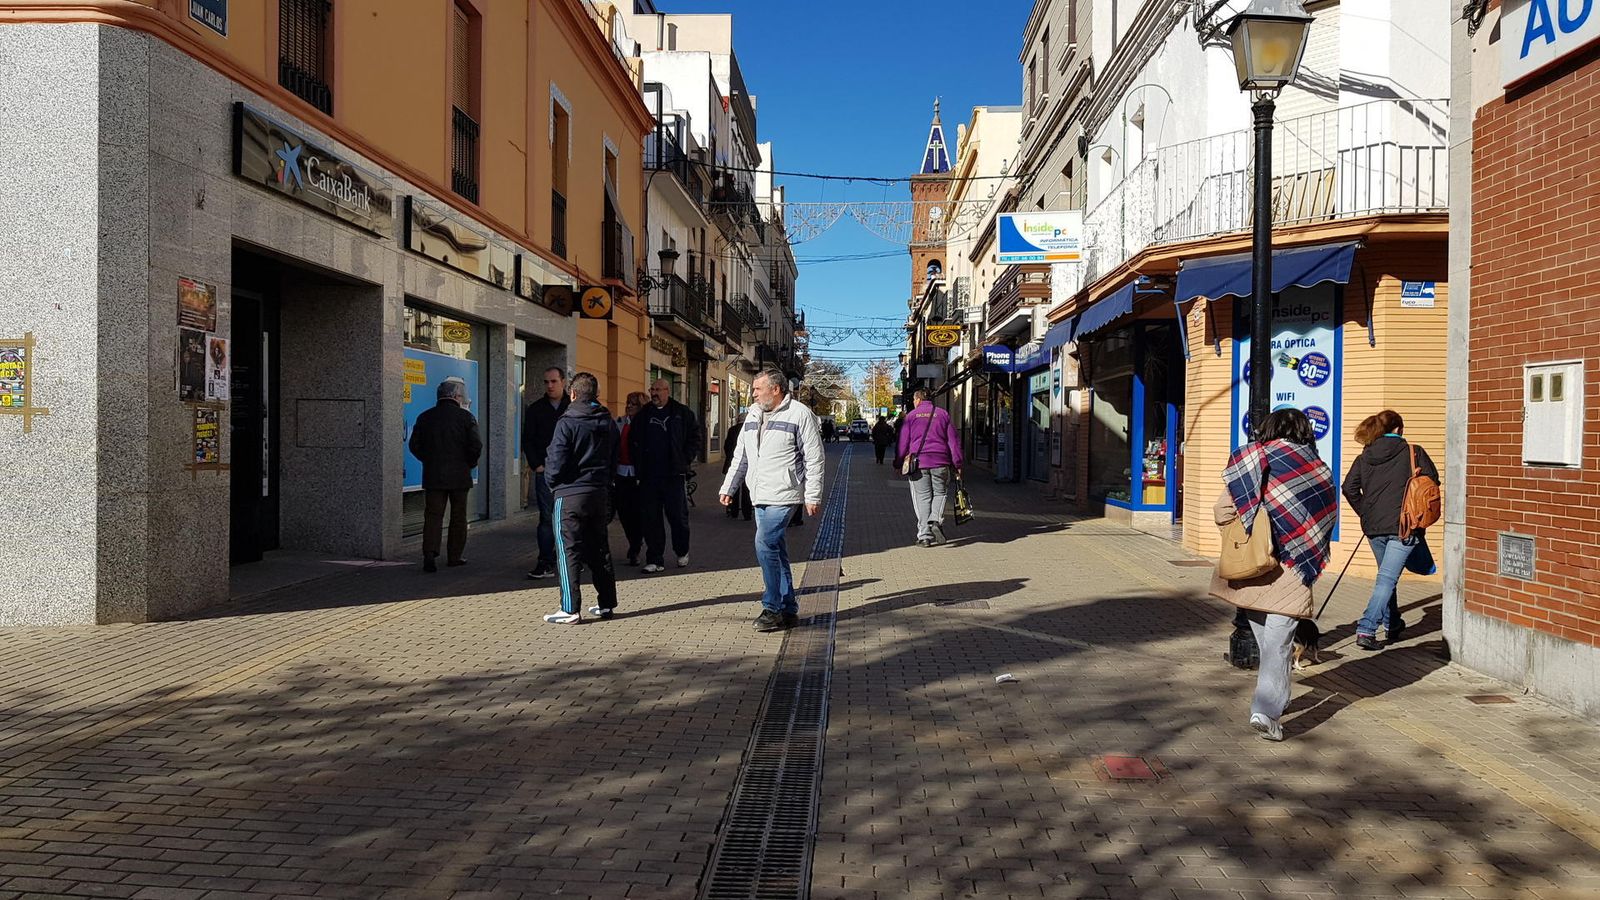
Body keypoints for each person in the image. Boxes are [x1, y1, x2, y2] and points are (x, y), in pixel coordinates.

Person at [1208, 409, 1337, 742]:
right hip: (1293, 569)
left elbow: (1222, 510)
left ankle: (1268, 707)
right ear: (1306, 431)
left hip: (1253, 565)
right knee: (1277, 647)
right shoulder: (1319, 470)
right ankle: (1266, 711)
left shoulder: (1253, 459)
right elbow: (1325, 520)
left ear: (1268, 429)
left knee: (1272, 647)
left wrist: (1245, 529)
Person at [719, 368, 824, 632]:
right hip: (758, 492)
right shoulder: (753, 414)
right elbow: (740, 455)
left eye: (757, 389)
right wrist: (729, 487)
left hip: (785, 492)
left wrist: (812, 495)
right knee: (776, 548)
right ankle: (789, 609)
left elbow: (814, 457)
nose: (753, 393)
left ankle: (772, 607)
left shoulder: (800, 414)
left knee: (764, 542)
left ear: (775, 389)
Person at [1343, 410, 1440, 651]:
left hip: (1374, 527)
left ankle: (1392, 623)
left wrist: (1366, 511)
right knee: (1387, 579)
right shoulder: (1413, 452)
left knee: (1387, 577)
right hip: (1404, 525)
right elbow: (1432, 482)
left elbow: (1348, 488)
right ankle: (1366, 629)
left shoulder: (1365, 456)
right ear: (1398, 429)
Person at [541, 372, 620, 625]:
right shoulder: (607, 421)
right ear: (595, 394)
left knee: (568, 550)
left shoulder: (567, 421)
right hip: (598, 491)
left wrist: (553, 483)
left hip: (570, 493)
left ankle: (569, 608)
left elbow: (556, 460)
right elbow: (614, 456)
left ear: (573, 394)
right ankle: (606, 603)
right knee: (600, 549)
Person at [407, 378, 483, 572]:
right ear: (456, 396)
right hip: (459, 476)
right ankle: (454, 556)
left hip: (434, 475)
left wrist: (429, 460)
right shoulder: (466, 418)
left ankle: (430, 554)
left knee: (433, 516)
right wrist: (469, 463)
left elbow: (414, 445)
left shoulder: (425, 417)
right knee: (458, 517)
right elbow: (476, 445)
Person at [630, 378, 701, 573]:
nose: (654, 393)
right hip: (649, 477)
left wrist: (685, 459)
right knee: (651, 519)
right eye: (652, 389)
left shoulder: (681, 413)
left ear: (667, 391)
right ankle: (655, 559)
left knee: (677, 517)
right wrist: (639, 467)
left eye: (658, 389)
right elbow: (633, 441)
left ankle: (681, 551)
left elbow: (695, 437)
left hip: (674, 475)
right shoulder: (643, 416)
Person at [896, 389, 964, 546]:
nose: (913, 403)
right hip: (941, 462)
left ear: (918, 399)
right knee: (940, 493)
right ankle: (935, 520)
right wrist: (957, 463)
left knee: (922, 498)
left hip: (918, 464)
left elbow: (903, 442)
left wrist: (898, 463)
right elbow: (953, 442)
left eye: (914, 400)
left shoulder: (911, 416)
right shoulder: (943, 414)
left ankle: (924, 536)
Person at [522, 367, 569, 580]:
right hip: (545, 472)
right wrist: (536, 465)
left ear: (563, 382)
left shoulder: (572, 408)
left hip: (570, 474)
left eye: (553, 381)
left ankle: (571, 559)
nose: (549, 386)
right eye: (546, 382)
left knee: (570, 518)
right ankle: (546, 561)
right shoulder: (536, 409)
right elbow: (528, 439)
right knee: (547, 518)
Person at [613, 391, 649, 565]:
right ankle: (634, 542)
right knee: (624, 513)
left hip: (638, 475)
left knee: (638, 514)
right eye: (627, 403)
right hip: (620, 474)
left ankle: (635, 546)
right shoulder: (619, 423)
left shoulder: (646, 426)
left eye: (633, 404)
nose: (628, 407)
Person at [722, 408, 754, 520]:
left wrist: (730, 457)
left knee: (733, 487)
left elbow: (726, 446)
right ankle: (747, 513)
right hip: (748, 463)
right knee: (746, 490)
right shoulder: (750, 429)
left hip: (732, 462)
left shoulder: (732, 430)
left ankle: (733, 511)